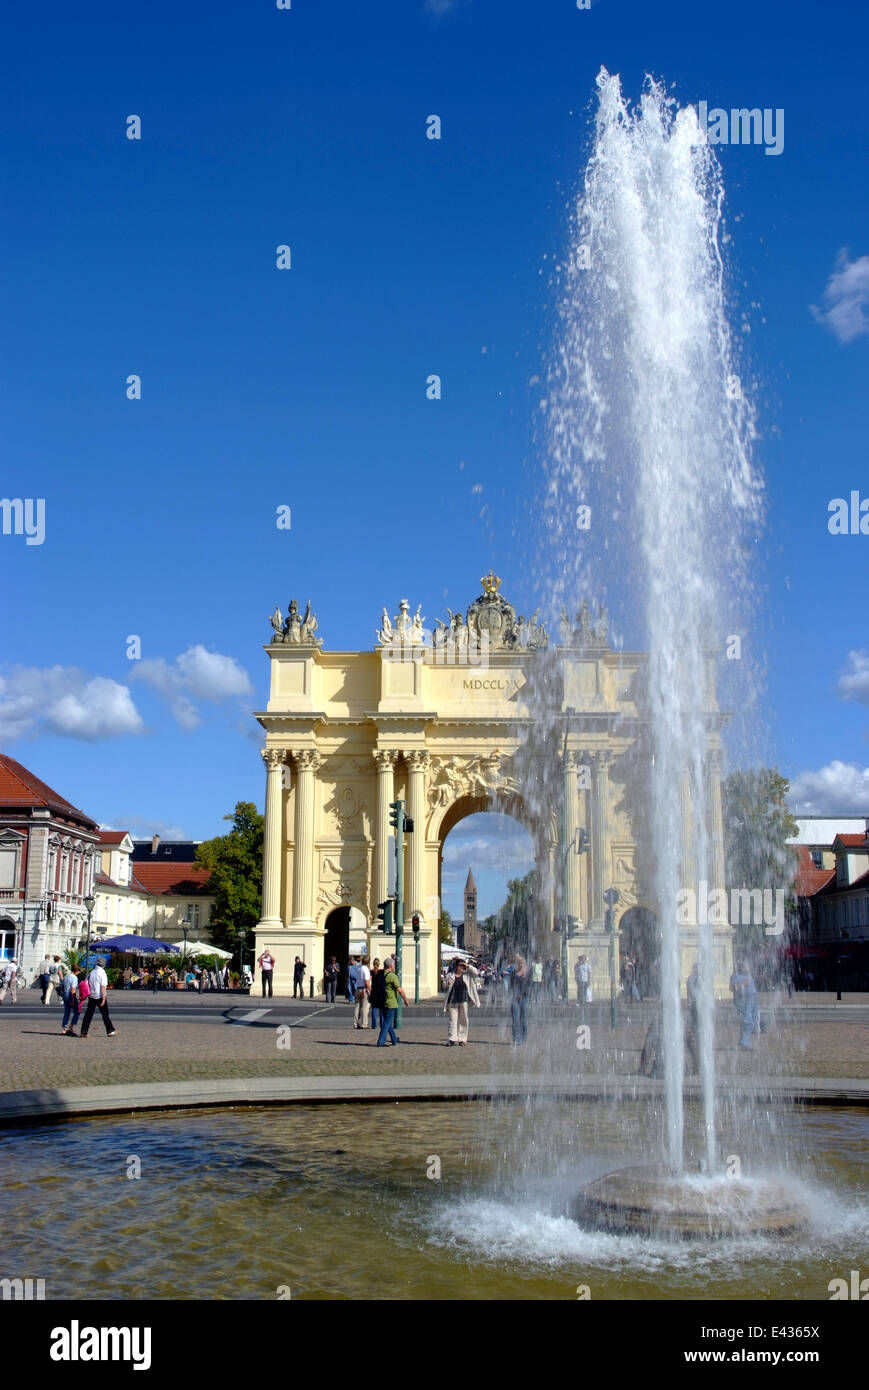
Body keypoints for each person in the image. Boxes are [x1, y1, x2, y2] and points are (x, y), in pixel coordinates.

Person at [443, 958, 481, 1045]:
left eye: (463, 965)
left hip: (464, 999)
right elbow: (444, 985)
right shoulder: (450, 975)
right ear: (456, 966)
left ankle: (462, 1039)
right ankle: (452, 1039)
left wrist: (468, 965)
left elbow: (477, 972)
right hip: (453, 999)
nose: (462, 967)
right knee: (453, 1019)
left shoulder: (467, 975)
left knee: (463, 1019)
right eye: (460, 965)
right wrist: (447, 984)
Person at [80, 961, 118, 1039]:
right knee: (105, 1014)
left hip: (91, 995)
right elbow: (103, 986)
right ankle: (110, 1030)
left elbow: (86, 982)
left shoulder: (91, 972)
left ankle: (83, 1031)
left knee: (88, 1014)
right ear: (103, 965)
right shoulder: (102, 973)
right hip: (99, 995)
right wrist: (104, 998)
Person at [376, 955, 408, 1046]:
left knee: (388, 1022)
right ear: (391, 966)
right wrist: (405, 999)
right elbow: (399, 989)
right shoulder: (392, 976)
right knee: (387, 1022)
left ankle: (394, 1040)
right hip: (391, 1002)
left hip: (382, 1001)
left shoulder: (380, 974)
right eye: (394, 965)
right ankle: (381, 1041)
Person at [730, 960, 758, 1050]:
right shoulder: (735, 976)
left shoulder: (749, 976)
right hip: (743, 1001)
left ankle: (743, 1041)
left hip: (752, 1001)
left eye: (748, 966)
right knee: (747, 1021)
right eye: (745, 966)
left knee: (751, 1021)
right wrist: (743, 983)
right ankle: (745, 1043)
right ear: (741, 967)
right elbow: (732, 988)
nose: (747, 968)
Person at [510, 953, 531, 1045]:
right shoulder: (514, 973)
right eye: (519, 963)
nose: (521, 964)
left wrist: (521, 994)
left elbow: (529, 986)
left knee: (524, 1019)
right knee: (515, 1019)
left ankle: (523, 1037)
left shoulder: (528, 973)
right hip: (515, 998)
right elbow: (511, 985)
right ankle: (516, 1039)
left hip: (524, 997)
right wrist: (515, 994)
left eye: (522, 963)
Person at [61, 967, 81, 1036]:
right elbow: (73, 988)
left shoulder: (66, 976)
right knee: (77, 1011)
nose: (79, 972)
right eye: (79, 971)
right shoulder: (74, 978)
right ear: (76, 971)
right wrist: (73, 998)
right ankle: (71, 1027)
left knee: (67, 1012)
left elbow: (62, 985)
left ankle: (64, 1028)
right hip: (70, 994)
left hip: (65, 994)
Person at [354, 957, 371, 1029]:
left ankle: (355, 1023)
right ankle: (364, 1024)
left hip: (357, 988)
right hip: (364, 990)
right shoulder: (366, 969)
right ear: (368, 962)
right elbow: (366, 982)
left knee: (357, 1007)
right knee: (365, 1007)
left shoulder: (358, 968)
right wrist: (370, 990)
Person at [368, 958, 385, 1031]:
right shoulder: (381, 972)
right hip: (380, 992)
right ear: (379, 964)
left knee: (374, 1009)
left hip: (374, 992)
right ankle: (382, 1024)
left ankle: (374, 1025)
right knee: (381, 1009)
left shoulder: (371, 972)